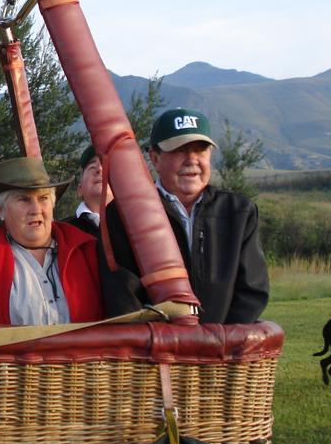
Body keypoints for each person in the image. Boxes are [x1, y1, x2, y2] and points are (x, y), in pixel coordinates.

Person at [99, 107, 269, 324]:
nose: (192, 160)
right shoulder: (124, 214)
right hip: (155, 353)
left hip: (223, 352)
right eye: (179, 150)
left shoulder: (239, 212)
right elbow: (121, 294)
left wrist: (220, 341)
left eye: (200, 150)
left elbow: (252, 290)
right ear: (155, 158)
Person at [0, 157, 104, 325]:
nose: (36, 209)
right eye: (24, 199)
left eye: (43, 198)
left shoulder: (86, 247)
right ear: (1, 209)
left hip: (85, 352)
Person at [61, 144, 113, 238]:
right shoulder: (61, 232)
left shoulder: (136, 224)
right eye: (92, 167)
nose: (100, 169)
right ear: (80, 189)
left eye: (106, 165)